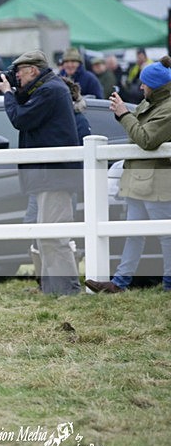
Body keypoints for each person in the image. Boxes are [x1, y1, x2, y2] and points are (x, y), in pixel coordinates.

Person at [85, 56, 171, 294]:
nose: (141, 87)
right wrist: (122, 114)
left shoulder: (168, 108)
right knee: (133, 233)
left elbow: (146, 139)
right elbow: (138, 134)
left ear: (155, 86)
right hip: (138, 179)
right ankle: (119, 283)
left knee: (166, 236)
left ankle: (168, 285)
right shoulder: (150, 102)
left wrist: (124, 114)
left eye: (144, 84)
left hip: (159, 182)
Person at [0, 50, 81, 296]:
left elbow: (21, 118)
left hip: (54, 175)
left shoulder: (50, 91)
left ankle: (67, 290)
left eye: (19, 72)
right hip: (48, 175)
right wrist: (16, 91)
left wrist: (7, 94)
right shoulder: (47, 88)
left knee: (54, 237)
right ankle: (51, 289)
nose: (16, 77)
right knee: (45, 236)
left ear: (32, 70)